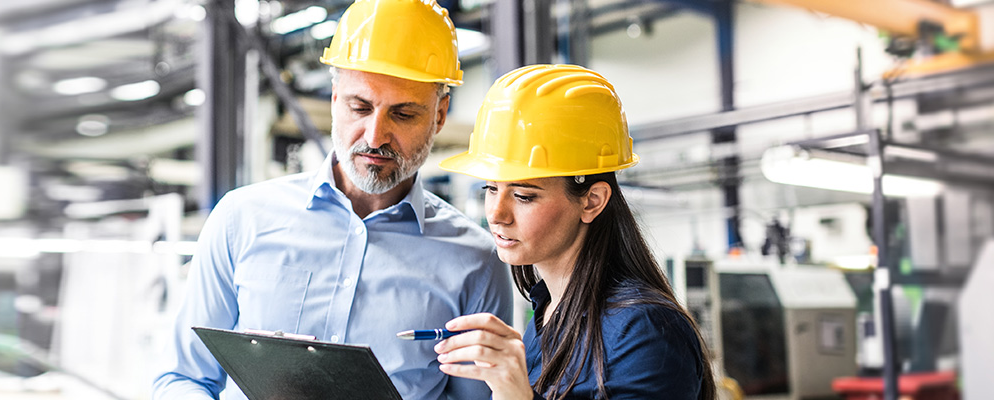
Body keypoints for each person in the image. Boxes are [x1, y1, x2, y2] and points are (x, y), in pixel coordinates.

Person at [151, 0, 512, 398]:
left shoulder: (476, 260)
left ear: (440, 114)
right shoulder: (241, 219)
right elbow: (182, 379)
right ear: (336, 98)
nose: (375, 136)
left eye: (404, 114)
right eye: (360, 107)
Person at [430, 64, 716, 399]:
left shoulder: (645, 332)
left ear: (592, 201)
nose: (496, 214)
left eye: (523, 196)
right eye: (491, 189)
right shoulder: (549, 313)